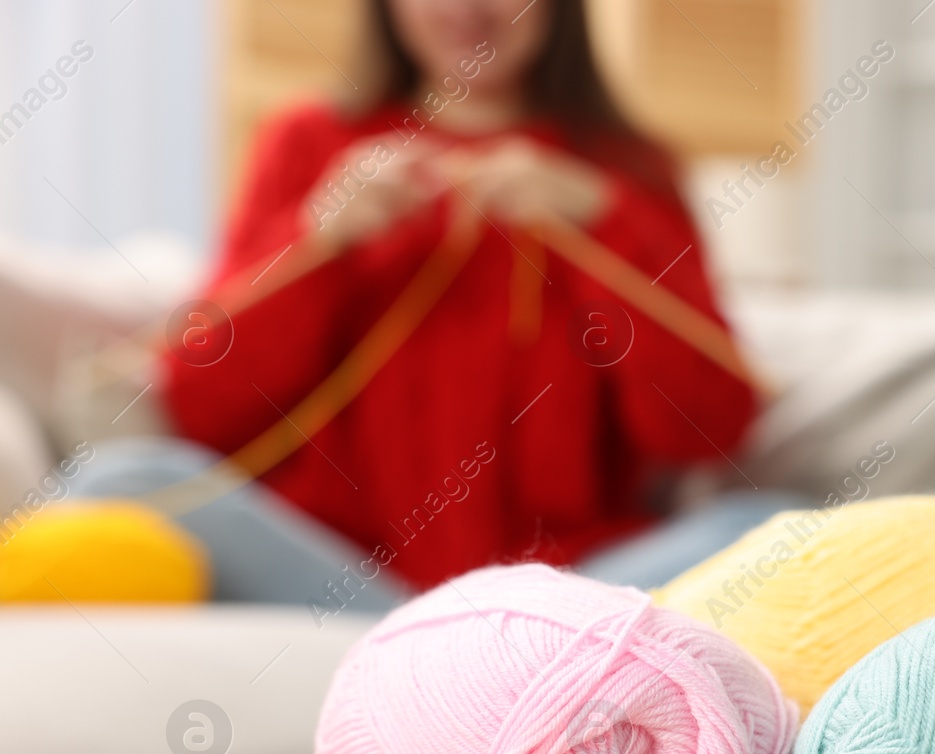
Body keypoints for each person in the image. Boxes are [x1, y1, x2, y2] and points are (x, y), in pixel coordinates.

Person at [56, 0, 797, 608]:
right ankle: (441, 666)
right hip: (341, 588)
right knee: (115, 482)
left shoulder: (627, 170)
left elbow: (708, 426)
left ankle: (474, 662)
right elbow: (198, 407)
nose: (467, 8)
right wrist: (318, 240)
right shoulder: (309, 143)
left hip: (553, 594)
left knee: (771, 528)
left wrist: (606, 219)